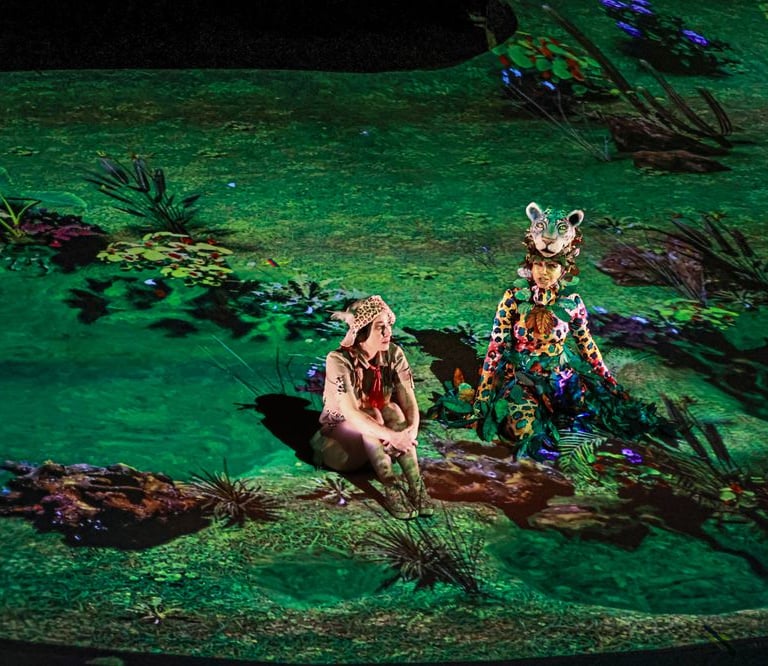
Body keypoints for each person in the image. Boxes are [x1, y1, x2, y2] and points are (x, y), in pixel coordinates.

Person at [474, 202, 640, 459]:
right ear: (530, 265)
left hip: (562, 377)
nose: (543, 272)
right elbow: (496, 347)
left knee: (592, 422)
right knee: (522, 430)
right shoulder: (514, 298)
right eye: (538, 265)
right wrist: (483, 394)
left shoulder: (571, 303)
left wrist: (608, 381)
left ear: (564, 270)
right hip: (523, 378)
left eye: (551, 267)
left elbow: (586, 345)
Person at [310, 295, 434, 519]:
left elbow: (408, 399)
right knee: (371, 413)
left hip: (379, 445)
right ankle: (391, 487)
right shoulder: (338, 360)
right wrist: (393, 437)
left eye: (388, 325)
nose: (388, 332)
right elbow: (351, 414)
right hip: (341, 447)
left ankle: (416, 486)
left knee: (393, 409)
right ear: (362, 331)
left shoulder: (394, 354)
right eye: (380, 327)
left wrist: (409, 433)